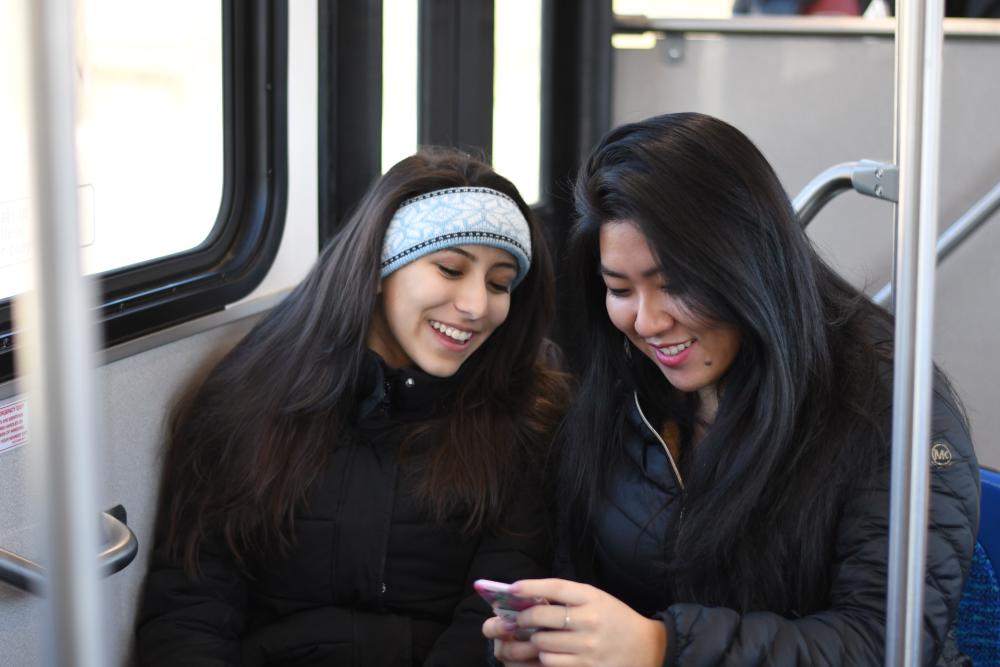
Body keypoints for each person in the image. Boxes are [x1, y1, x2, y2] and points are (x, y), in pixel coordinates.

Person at [484, 112, 979, 666]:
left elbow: (884, 644)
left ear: (745, 264)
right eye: (620, 289)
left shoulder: (889, 405)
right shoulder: (626, 392)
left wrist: (661, 647)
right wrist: (550, 638)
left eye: (674, 285)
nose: (647, 322)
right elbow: (578, 572)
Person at [136, 147, 570, 666]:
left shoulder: (526, 414)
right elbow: (192, 608)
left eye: (500, 283)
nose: (477, 306)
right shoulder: (249, 397)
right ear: (381, 267)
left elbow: (491, 623)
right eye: (451, 269)